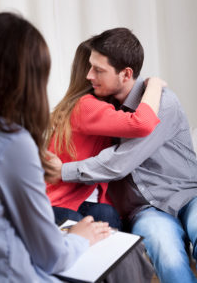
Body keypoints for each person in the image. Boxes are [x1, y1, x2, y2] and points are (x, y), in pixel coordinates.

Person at [47, 28, 197, 283]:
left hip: (187, 196)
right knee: (167, 254)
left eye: (98, 70)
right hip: (145, 209)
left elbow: (121, 160)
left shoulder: (161, 103)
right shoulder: (102, 107)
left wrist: (64, 170)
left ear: (126, 73)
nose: (88, 75)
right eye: (89, 67)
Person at [0, 12, 112, 283]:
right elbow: (50, 256)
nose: (90, 75)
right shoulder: (13, 142)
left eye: (98, 69)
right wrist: (76, 240)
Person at [46, 39, 165, 228]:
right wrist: (154, 85)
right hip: (59, 203)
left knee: (106, 214)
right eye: (94, 68)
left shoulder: (98, 108)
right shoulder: (86, 106)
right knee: (82, 226)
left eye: (99, 69)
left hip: (88, 202)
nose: (93, 74)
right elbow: (142, 123)